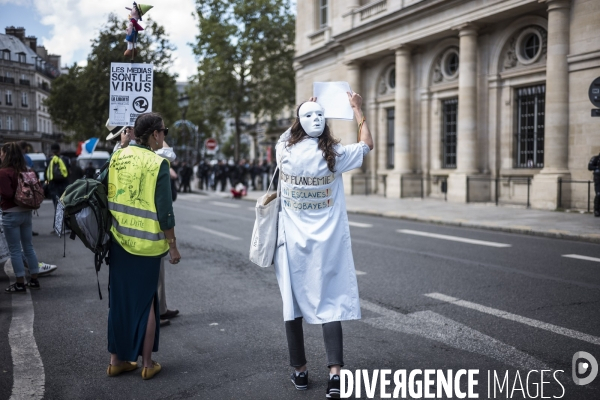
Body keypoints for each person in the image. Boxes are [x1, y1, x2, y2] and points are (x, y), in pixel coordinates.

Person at [273, 92, 373, 398]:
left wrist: (303, 105)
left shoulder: (284, 152)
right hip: (327, 244)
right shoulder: (335, 155)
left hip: (291, 244)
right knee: (330, 302)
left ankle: (300, 372)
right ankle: (335, 375)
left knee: (293, 306)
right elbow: (367, 144)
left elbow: (286, 136)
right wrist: (357, 110)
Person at [104, 112, 181, 380]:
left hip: (118, 240)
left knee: (120, 301)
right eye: (164, 131)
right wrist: (172, 246)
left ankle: (116, 361)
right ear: (155, 134)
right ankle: (147, 364)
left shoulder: (117, 157)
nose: (164, 136)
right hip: (147, 245)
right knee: (147, 302)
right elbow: (165, 212)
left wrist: (123, 147)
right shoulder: (157, 163)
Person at [0, 142, 42, 293]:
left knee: (15, 250)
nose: (0, 155)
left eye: (2, 152)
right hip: (26, 212)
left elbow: (6, 194)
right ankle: (34, 280)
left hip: (11, 213)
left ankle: (19, 283)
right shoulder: (26, 170)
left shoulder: (4, 172)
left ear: (6, 154)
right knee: (28, 247)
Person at [45, 143, 69, 211]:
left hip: (53, 185)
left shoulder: (48, 160)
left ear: (52, 150)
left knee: (56, 204)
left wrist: (47, 183)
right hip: (64, 184)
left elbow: (46, 174)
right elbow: (69, 172)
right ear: (59, 150)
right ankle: (64, 220)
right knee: (64, 204)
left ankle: (57, 220)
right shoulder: (65, 159)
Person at [588, 152, 600, 217]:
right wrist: (597, 167)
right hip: (598, 178)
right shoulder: (595, 158)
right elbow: (590, 167)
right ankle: (596, 210)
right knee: (598, 194)